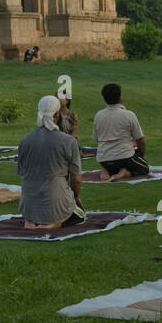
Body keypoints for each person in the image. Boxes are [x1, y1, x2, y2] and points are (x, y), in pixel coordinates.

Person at [17, 95, 84, 228]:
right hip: (55, 200)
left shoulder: (25, 140)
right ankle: (52, 224)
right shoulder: (68, 141)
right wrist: (75, 196)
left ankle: (30, 222)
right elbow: (76, 179)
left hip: (29, 204)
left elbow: (22, 172)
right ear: (58, 114)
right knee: (80, 215)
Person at [91, 83, 147, 181]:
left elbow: (97, 139)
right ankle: (123, 172)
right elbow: (140, 140)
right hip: (125, 158)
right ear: (120, 98)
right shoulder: (129, 115)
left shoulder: (98, 115)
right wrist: (142, 156)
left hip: (103, 159)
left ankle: (105, 171)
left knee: (112, 164)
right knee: (144, 168)